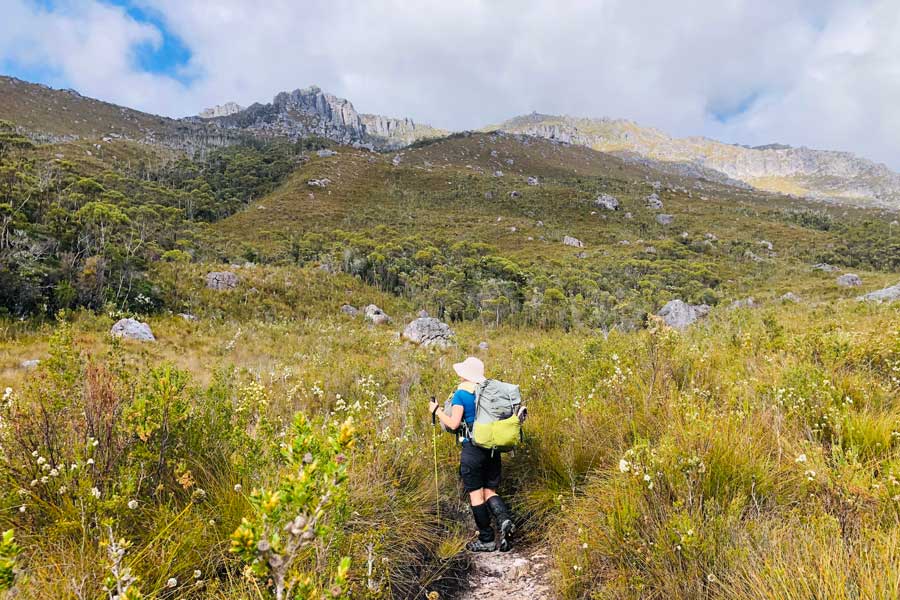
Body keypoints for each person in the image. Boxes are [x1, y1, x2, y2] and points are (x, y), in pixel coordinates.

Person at [429, 356, 515, 552]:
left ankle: (487, 540)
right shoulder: (488, 391)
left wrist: (437, 410)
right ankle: (504, 520)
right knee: (490, 491)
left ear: (463, 374)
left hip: (472, 450)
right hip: (493, 449)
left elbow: (453, 424)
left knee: (476, 496)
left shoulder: (461, 393)